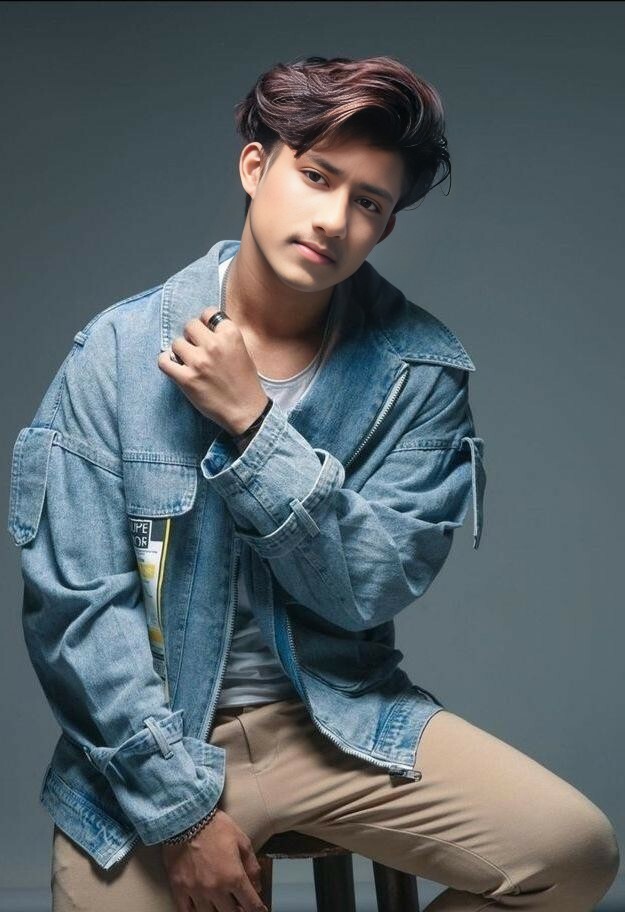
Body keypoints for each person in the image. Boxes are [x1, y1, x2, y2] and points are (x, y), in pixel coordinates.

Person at [8, 55, 619, 912]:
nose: (333, 219)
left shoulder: (416, 372)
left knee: (573, 853)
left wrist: (253, 426)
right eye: (317, 176)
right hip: (153, 740)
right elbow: (76, 613)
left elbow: (367, 587)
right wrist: (181, 816)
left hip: (334, 722)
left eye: (367, 203)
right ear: (255, 166)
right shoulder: (116, 353)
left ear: (384, 228)